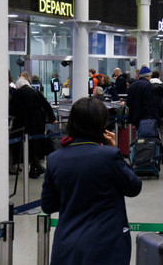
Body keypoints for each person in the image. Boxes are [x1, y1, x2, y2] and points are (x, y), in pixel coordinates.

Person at [41, 97, 142, 265]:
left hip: (67, 245)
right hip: (105, 246)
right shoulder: (109, 155)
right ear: (101, 125)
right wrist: (116, 151)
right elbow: (134, 187)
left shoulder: (54, 159)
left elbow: (48, 205)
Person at [10, 74, 55, 178]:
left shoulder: (17, 93)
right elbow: (46, 104)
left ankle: (30, 166)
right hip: (38, 123)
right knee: (35, 145)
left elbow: (13, 110)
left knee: (26, 146)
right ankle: (35, 165)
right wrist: (52, 118)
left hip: (23, 124)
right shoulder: (34, 91)